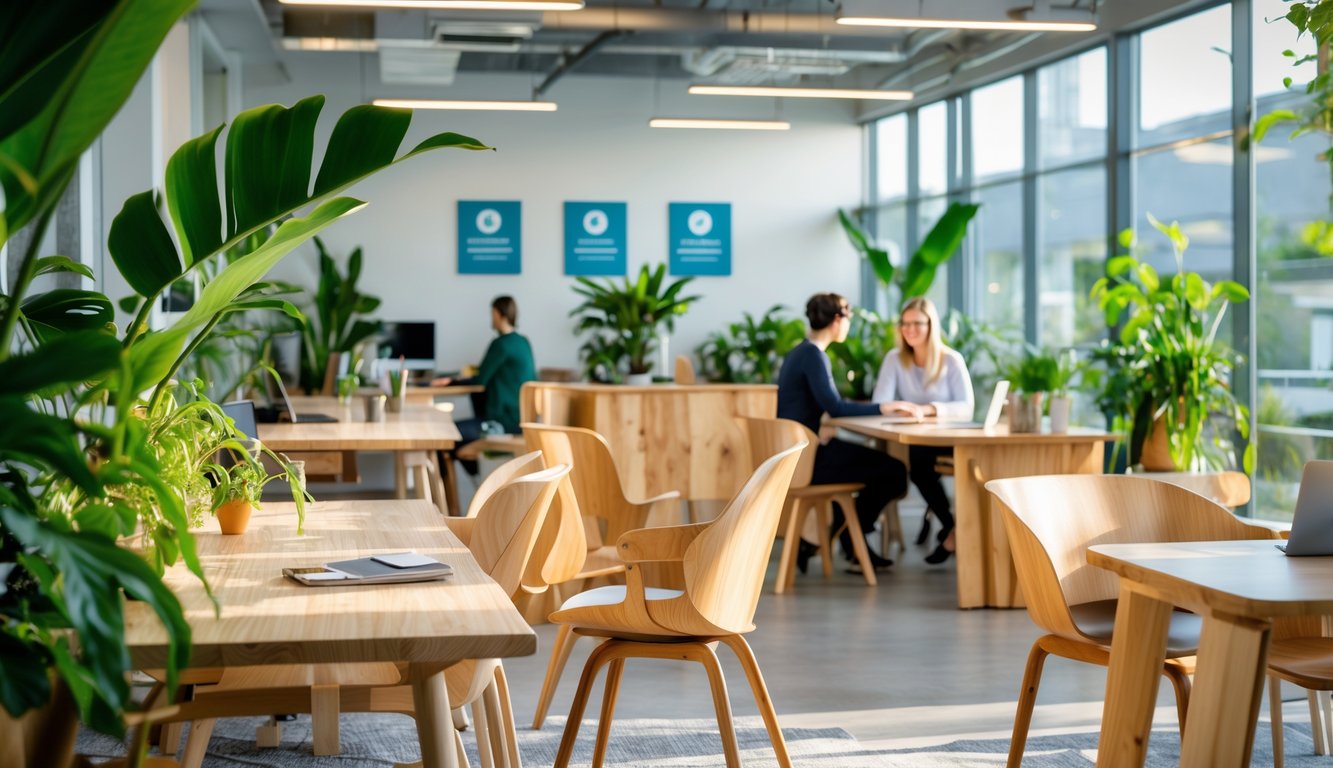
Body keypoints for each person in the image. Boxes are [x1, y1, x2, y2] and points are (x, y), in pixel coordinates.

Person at [777, 292, 909, 573]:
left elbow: (815, 406)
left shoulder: (799, 353)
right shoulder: (814, 356)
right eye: (848, 319)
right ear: (838, 320)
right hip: (807, 461)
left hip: (797, 455)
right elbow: (835, 408)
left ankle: (846, 535)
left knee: (879, 469)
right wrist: (884, 408)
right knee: (895, 473)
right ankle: (851, 534)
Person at [871, 297, 974, 565]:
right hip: (919, 440)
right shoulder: (895, 359)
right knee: (918, 466)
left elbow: (966, 408)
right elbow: (879, 402)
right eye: (904, 323)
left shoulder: (951, 360)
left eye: (917, 323)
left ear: (931, 325)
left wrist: (927, 409)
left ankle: (954, 531)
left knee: (938, 464)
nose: (909, 329)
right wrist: (901, 409)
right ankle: (953, 529)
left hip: (953, 438)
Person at [432, 295, 536, 474]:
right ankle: (473, 477)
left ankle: (449, 498)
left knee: (443, 435)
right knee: (455, 442)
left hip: (500, 422)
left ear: (498, 314)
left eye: (492, 313)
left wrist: (451, 382)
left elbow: (480, 380)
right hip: (523, 419)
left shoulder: (500, 345)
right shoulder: (523, 342)